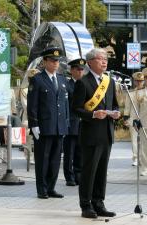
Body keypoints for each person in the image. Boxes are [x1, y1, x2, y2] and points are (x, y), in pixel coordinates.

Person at [72, 48, 120, 219]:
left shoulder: (109, 81)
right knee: (89, 171)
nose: (104, 62)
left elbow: (114, 104)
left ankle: (99, 203)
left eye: (106, 59)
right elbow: (76, 109)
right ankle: (86, 205)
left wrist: (116, 113)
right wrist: (92, 114)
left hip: (106, 132)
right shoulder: (82, 82)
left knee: (101, 171)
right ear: (90, 62)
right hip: (91, 134)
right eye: (100, 59)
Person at [27, 47, 69, 199]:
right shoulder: (37, 80)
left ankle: (51, 187)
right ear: (44, 61)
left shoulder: (62, 79)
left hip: (59, 127)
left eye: (57, 61)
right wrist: (34, 124)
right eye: (52, 60)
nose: (55, 63)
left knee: (55, 160)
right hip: (44, 127)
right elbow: (32, 105)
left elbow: (65, 105)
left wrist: (66, 123)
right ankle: (42, 189)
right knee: (42, 160)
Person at [63, 58, 85, 186]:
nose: (80, 71)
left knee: (80, 152)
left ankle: (79, 175)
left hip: (83, 124)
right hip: (71, 123)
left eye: (82, 69)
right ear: (72, 70)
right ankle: (69, 176)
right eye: (78, 69)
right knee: (69, 152)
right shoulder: (67, 85)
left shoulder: (85, 84)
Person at [123, 72, 144, 166]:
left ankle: (144, 158)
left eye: (141, 81)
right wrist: (126, 118)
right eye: (137, 81)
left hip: (145, 119)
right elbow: (127, 107)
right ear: (135, 82)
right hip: (133, 119)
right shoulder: (130, 93)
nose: (139, 82)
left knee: (144, 140)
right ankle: (136, 158)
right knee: (134, 140)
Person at [20, 69, 40, 165]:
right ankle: (29, 156)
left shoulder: (41, 87)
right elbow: (26, 105)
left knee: (39, 138)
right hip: (27, 117)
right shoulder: (24, 90)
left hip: (40, 117)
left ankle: (37, 156)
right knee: (27, 138)